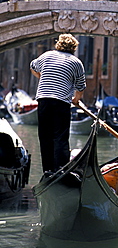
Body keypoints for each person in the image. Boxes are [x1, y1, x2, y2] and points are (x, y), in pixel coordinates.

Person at [30, 33, 86, 173]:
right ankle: (60, 170)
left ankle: (47, 170)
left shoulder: (46, 55)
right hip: (61, 102)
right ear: (73, 47)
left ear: (58, 44)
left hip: (44, 100)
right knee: (60, 138)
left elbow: (33, 66)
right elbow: (80, 87)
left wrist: (42, 76)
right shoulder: (76, 62)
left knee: (45, 136)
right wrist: (76, 100)